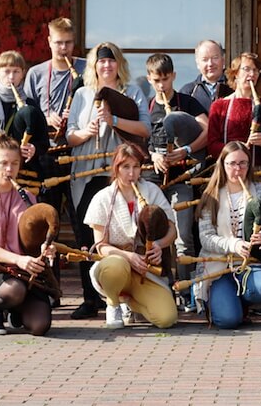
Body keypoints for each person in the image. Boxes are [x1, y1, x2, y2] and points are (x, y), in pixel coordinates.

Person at [66, 42, 153, 319]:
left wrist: (114, 119)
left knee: (119, 232)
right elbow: (69, 136)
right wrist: (85, 132)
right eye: (102, 62)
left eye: (111, 61)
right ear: (94, 65)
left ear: (119, 64)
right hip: (85, 170)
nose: (107, 66)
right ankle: (90, 298)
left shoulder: (132, 92)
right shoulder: (81, 94)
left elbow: (144, 129)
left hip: (118, 172)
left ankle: (118, 295)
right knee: (87, 233)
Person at [0, 138, 55, 336]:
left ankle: (15, 310)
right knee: (14, 291)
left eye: (15, 164)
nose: (9, 169)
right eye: (3, 163)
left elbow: (35, 239)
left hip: (24, 272)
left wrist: (44, 248)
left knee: (41, 326)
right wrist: (18, 259)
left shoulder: (28, 198)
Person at [85, 143, 179, 329]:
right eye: (126, 167)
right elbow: (100, 246)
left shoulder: (151, 191)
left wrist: (159, 245)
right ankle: (113, 303)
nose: (131, 173)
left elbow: (172, 230)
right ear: (116, 168)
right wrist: (129, 256)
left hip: (146, 269)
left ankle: (131, 302)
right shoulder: (102, 197)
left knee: (167, 318)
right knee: (115, 265)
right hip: (117, 263)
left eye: (136, 167)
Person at [195, 142, 261, 329]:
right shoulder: (211, 195)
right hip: (218, 266)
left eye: (243, 163)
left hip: (250, 263)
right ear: (223, 165)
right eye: (232, 163)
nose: (238, 169)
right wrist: (233, 244)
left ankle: (242, 301)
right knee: (228, 321)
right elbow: (205, 237)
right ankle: (220, 300)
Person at [141, 53, 208, 258]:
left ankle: (186, 289)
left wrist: (185, 150)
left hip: (182, 177)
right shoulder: (146, 105)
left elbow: (207, 130)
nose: (162, 85)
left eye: (166, 79)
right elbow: (138, 140)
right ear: (149, 79)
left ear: (174, 76)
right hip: (152, 178)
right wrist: (153, 155)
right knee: (149, 232)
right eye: (157, 80)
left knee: (182, 235)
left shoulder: (187, 102)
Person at [206, 52, 261, 166]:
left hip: (259, 171)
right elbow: (212, 145)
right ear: (235, 73)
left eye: (256, 70)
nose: (252, 74)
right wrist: (234, 152)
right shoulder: (220, 106)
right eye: (247, 69)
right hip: (229, 170)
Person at [0, 50, 49, 177]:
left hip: (25, 171)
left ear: (22, 73)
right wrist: (0, 153)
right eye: (7, 71)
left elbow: (43, 140)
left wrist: (34, 149)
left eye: (16, 71)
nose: (11, 77)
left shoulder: (30, 104)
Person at [22, 17, 86, 153]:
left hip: (80, 146)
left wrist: (76, 114)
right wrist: (45, 119)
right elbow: (27, 114)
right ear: (49, 41)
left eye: (68, 42)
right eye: (58, 43)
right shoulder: (36, 73)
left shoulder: (88, 68)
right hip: (45, 146)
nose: (64, 48)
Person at [180, 39, 231, 109]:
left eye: (215, 58)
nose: (210, 64)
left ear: (223, 60)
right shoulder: (188, 92)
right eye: (205, 59)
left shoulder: (236, 87)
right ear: (197, 63)